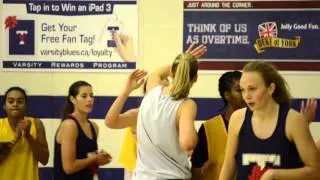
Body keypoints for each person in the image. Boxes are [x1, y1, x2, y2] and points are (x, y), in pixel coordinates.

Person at [105, 44, 207, 179]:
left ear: (171, 72)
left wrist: (183, 61)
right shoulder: (186, 105)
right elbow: (187, 143)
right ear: (195, 78)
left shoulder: (151, 92)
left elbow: (110, 122)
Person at [219, 61, 320, 180]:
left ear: (270, 88)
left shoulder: (293, 120)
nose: (246, 96)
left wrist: (274, 174)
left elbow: (315, 171)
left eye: (252, 89)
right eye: (242, 90)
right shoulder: (237, 118)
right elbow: (229, 165)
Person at [191, 71, 246, 180]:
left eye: (248, 89)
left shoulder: (258, 124)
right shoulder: (209, 128)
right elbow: (195, 170)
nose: (245, 94)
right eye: (239, 90)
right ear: (227, 95)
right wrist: (202, 172)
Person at [54, 81, 112, 180]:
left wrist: (100, 157)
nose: (89, 100)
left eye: (91, 96)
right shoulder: (69, 125)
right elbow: (69, 167)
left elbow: (86, 158)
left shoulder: (93, 126)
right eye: (84, 96)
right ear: (73, 99)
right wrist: (94, 158)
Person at [117, 77, 169, 180]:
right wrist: (127, 90)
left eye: (165, 90)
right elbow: (111, 121)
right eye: (158, 89)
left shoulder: (171, 116)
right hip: (138, 172)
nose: (162, 94)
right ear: (146, 93)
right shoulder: (138, 114)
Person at [0, 86, 49, 180]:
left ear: (26, 105)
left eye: (20, 101)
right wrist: (15, 140)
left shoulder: (36, 124)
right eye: (11, 101)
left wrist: (28, 136)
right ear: (4, 106)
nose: (15, 104)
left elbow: (44, 160)